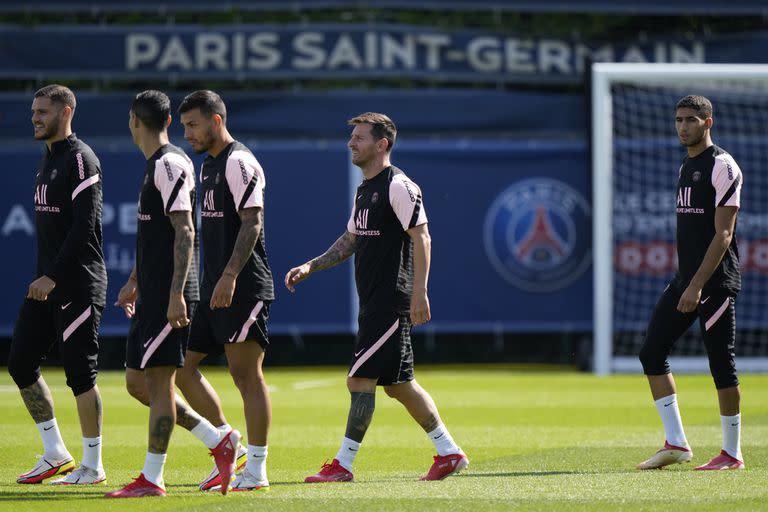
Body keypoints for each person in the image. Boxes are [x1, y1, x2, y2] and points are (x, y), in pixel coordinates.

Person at [285, 112, 469, 482]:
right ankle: (449, 452)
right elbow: (351, 239)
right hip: (373, 302)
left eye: (360, 137)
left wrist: (419, 293)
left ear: (382, 144)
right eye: (352, 137)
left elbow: (422, 237)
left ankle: (343, 464)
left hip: (390, 301)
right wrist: (312, 266)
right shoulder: (364, 188)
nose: (351, 143)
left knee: (359, 381)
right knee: (399, 385)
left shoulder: (399, 185)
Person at [107, 90, 240, 498]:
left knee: (161, 384)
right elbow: (157, 236)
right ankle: (218, 439)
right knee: (137, 383)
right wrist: (134, 279)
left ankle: (152, 478)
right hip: (152, 293)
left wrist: (176, 294)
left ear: (134, 121)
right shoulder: (156, 166)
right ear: (166, 121)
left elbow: (185, 231)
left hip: (169, 296)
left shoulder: (168, 164)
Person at [637, 95, 744, 471]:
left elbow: (724, 235)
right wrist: (688, 282)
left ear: (708, 123)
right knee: (651, 352)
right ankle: (677, 443)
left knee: (721, 365)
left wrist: (697, 285)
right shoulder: (687, 165)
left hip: (714, 284)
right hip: (687, 281)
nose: (683, 126)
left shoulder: (723, 166)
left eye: (691, 120)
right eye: (679, 120)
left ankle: (732, 454)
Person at [8, 84, 107, 485]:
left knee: (80, 375)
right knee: (19, 362)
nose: (35, 118)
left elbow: (86, 227)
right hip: (46, 284)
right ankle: (55, 453)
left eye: (43, 111)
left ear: (66, 112)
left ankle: (93, 465)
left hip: (77, 283)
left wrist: (54, 275)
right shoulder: (47, 160)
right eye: (33, 111)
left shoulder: (81, 160)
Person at [178, 90, 274, 492]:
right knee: (181, 369)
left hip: (243, 285)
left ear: (216, 121)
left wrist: (231, 275)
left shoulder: (239, 161)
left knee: (246, 376)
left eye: (193, 125)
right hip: (212, 288)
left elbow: (253, 222)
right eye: (184, 127)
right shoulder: (207, 166)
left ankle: (257, 470)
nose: (188, 135)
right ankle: (224, 441)